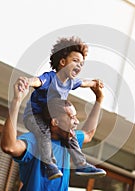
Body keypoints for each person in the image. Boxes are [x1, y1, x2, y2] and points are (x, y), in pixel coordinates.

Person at [18, 36, 105, 180]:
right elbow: (38, 81)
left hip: (52, 117)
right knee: (44, 133)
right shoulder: (51, 78)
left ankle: (81, 164)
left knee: (70, 135)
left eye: (81, 64)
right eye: (75, 61)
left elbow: (83, 83)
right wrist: (27, 81)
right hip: (34, 116)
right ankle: (50, 165)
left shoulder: (70, 82)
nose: (79, 66)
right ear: (63, 62)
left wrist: (95, 83)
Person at [0, 78, 106, 191]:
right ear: (55, 122)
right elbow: (9, 147)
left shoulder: (69, 141)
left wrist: (99, 99)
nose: (77, 121)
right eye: (71, 117)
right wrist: (17, 101)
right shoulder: (34, 140)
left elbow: (88, 134)